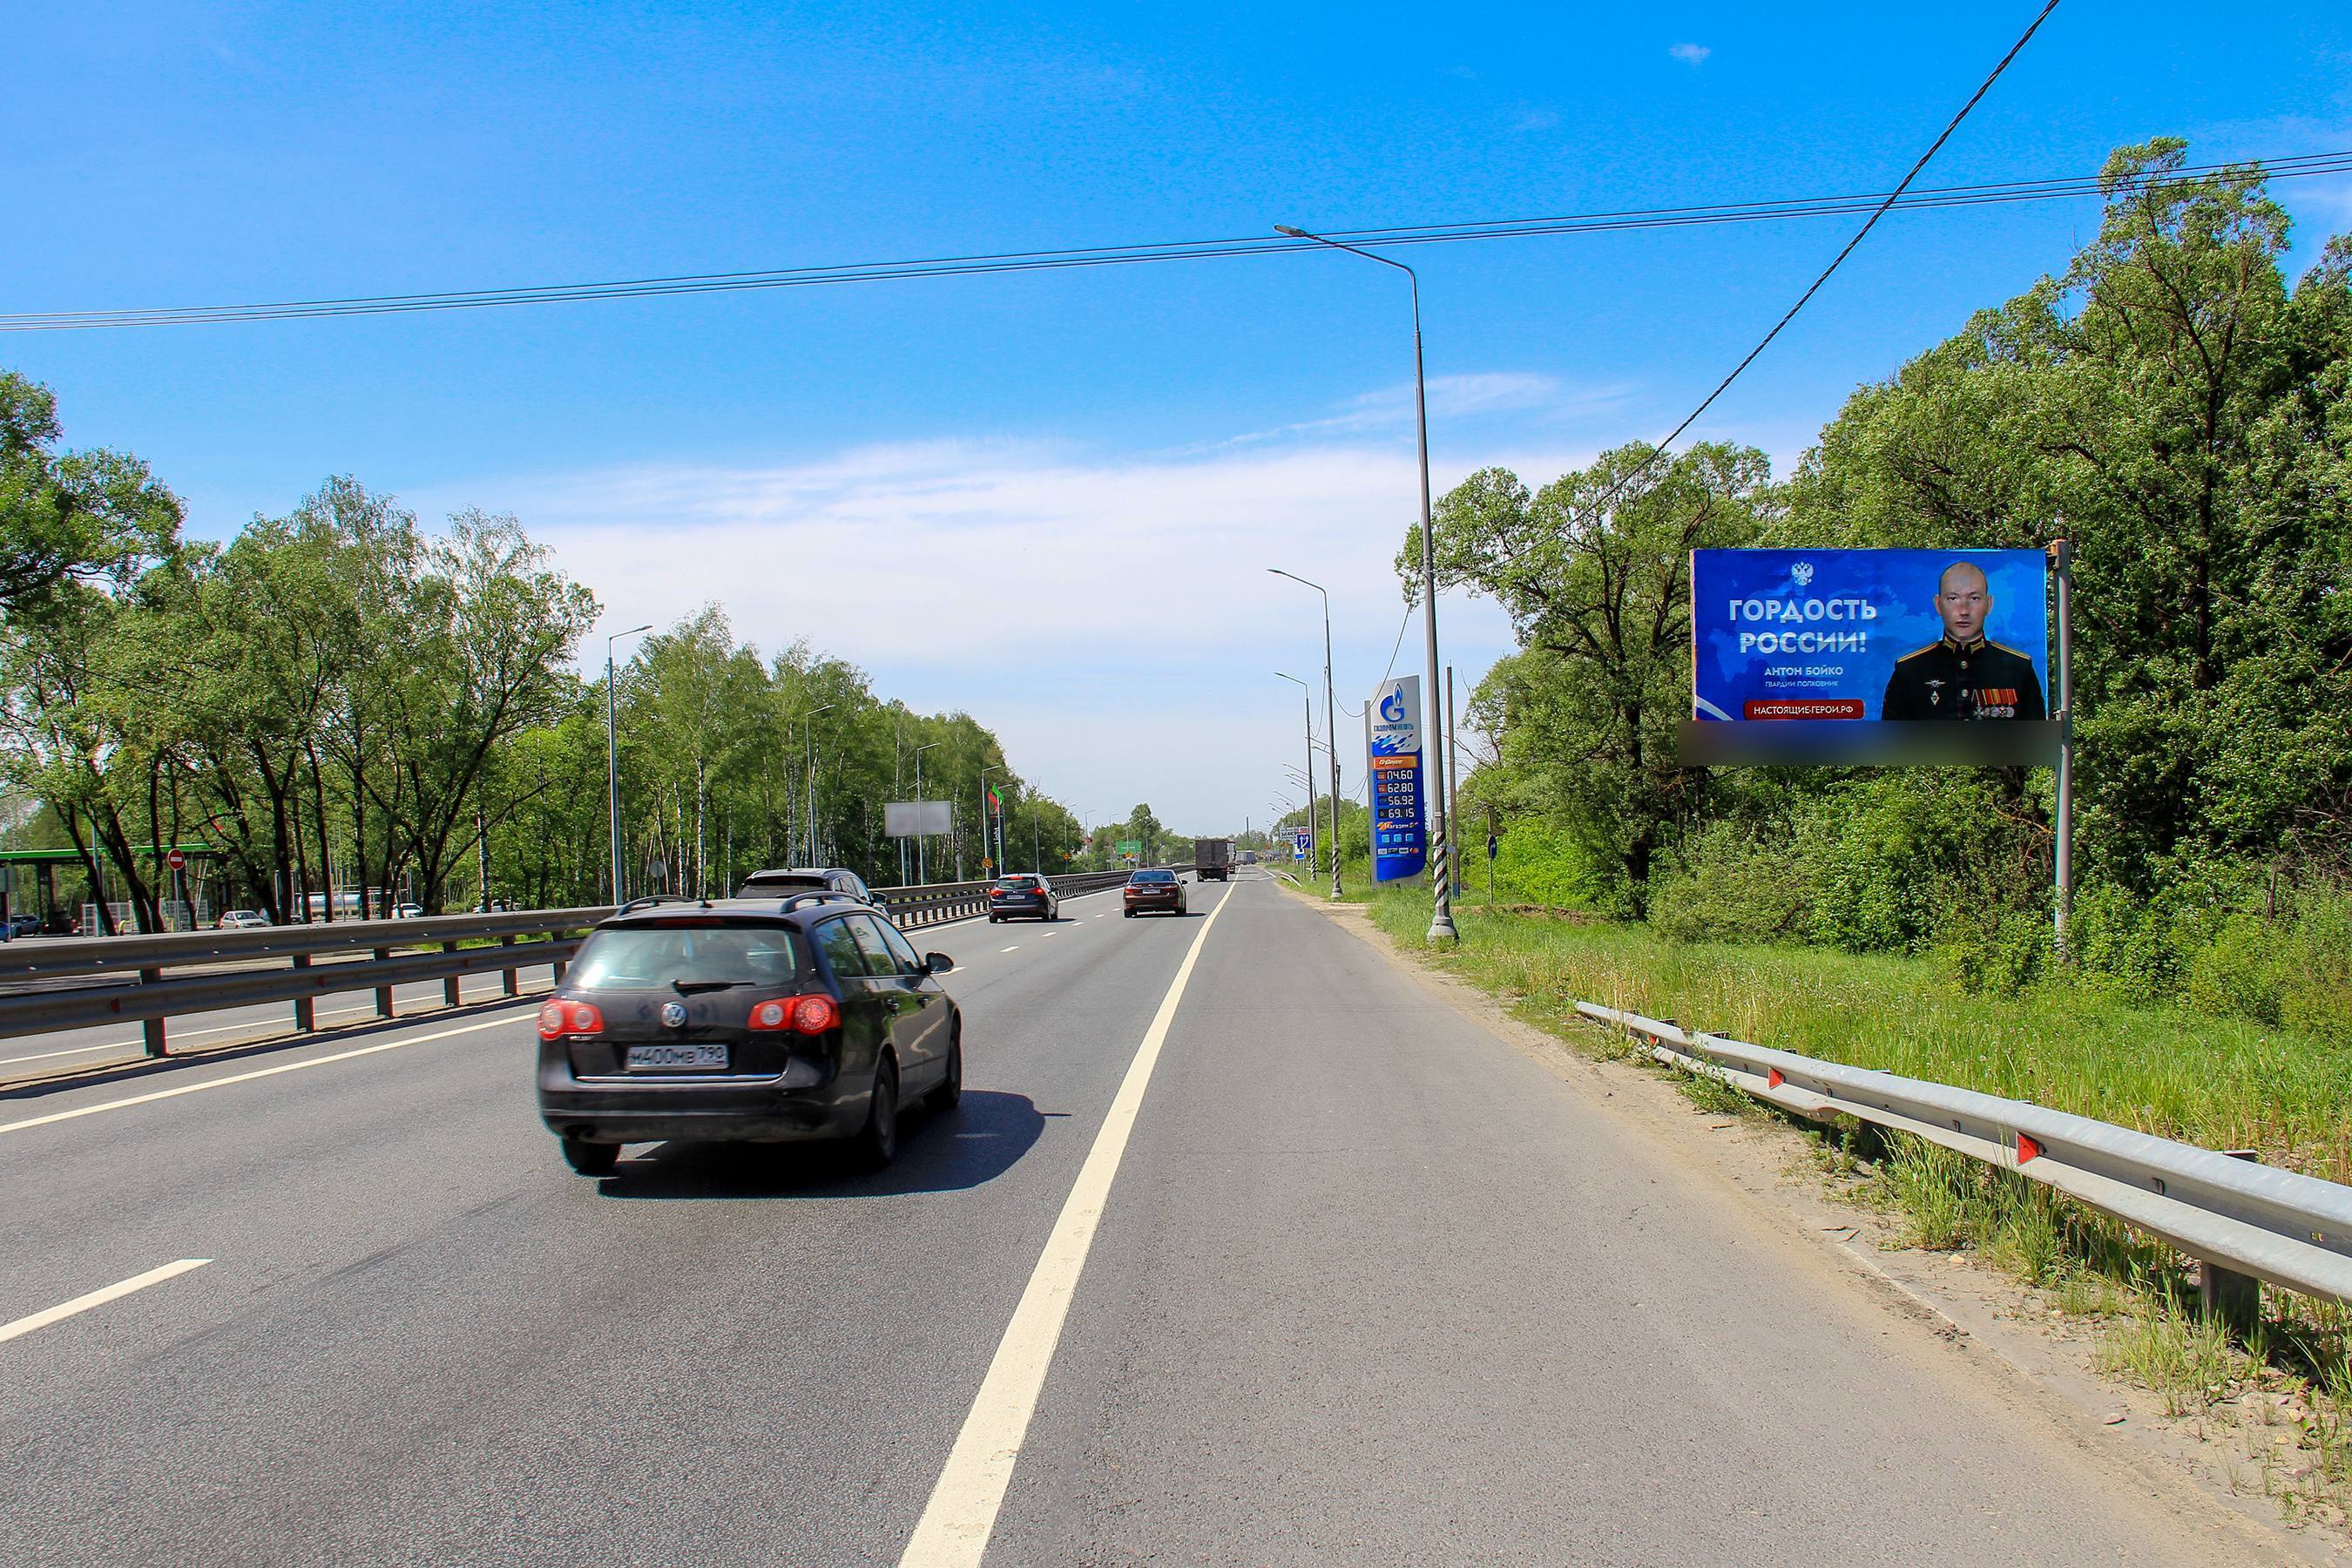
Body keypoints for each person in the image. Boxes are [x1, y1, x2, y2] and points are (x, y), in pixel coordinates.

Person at [1880, 560, 2046, 720]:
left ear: (1989, 604)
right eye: (1953, 599)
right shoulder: (1910, 671)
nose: (1964, 611)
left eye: (1974, 598)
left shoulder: (2018, 668)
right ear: (1938, 604)